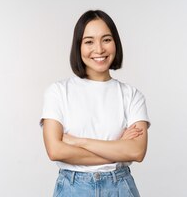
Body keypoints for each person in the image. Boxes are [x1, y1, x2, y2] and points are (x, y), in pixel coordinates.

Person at [40, 10, 150, 197]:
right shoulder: (58, 91)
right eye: (89, 41)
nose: (99, 49)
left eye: (106, 39)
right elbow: (55, 150)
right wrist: (118, 148)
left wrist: (78, 142)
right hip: (73, 188)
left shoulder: (131, 95)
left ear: (115, 43)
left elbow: (137, 151)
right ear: (78, 46)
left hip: (120, 187)